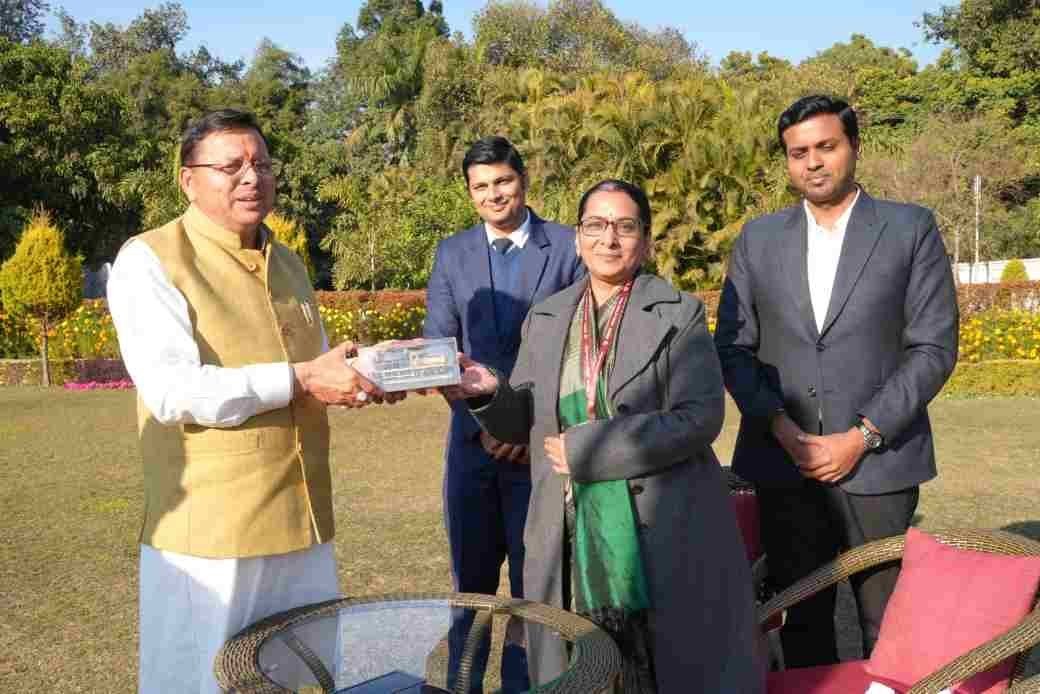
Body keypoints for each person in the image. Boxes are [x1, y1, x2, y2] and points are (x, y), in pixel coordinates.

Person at [108, 109, 396, 694]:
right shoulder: (151, 258)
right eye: (231, 166)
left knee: (304, 675)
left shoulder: (287, 261)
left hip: (303, 517)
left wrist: (369, 370)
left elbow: (314, 368)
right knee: (208, 680)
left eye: (262, 164)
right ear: (188, 179)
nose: (251, 177)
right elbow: (172, 390)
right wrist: (300, 378)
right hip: (213, 534)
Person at [444, 180, 763, 692]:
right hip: (565, 528)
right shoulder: (547, 317)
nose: (608, 238)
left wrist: (590, 450)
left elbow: (700, 418)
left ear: (646, 241)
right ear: (577, 238)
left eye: (625, 226)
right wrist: (488, 392)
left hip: (657, 525)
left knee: (656, 669)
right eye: (595, 225)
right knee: (576, 664)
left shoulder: (677, 313)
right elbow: (522, 422)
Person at [714, 95, 959, 666]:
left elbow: (932, 347)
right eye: (798, 152)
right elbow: (733, 346)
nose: (813, 162)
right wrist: (781, 427)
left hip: (880, 464)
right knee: (802, 622)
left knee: (888, 623)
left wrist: (862, 435)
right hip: (785, 465)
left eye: (826, 146)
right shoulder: (758, 239)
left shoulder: (909, 228)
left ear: (854, 147)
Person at [423, 136, 584, 692]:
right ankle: (462, 685)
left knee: (533, 591)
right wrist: (491, 422)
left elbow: (580, 351)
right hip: (471, 450)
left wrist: (526, 427)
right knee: (470, 589)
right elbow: (439, 349)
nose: (494, 194)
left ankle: (526, 687)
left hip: (540, 452)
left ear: (523, 179)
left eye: (503, 181)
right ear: (470, 193)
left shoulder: (568, 247)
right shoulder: (453, 253)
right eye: (481, 186)